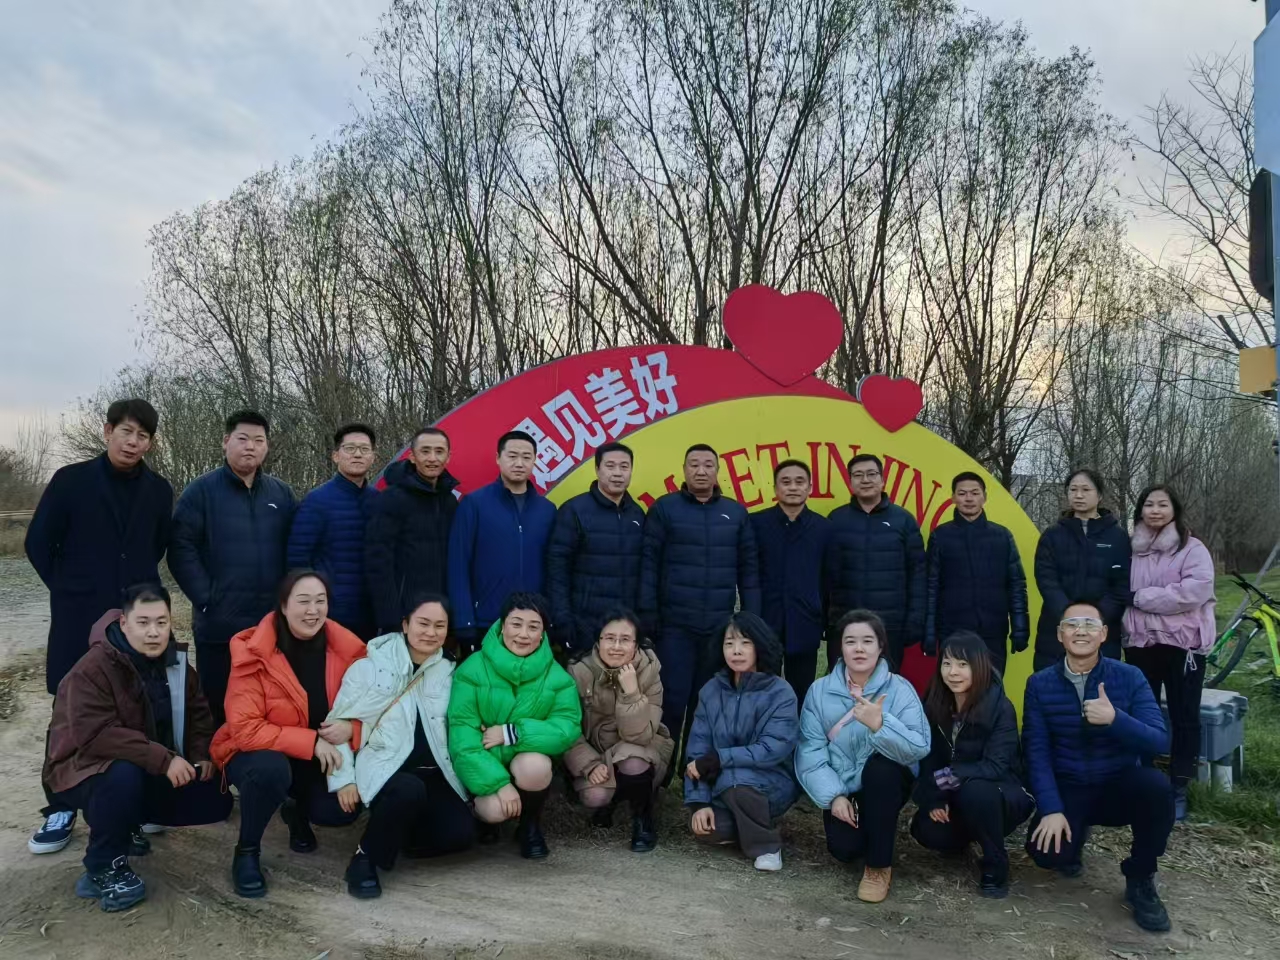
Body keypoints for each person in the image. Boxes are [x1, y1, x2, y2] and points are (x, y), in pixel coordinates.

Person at [25, 398, 174, 855]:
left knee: (138, 706)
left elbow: (157, 545)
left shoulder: (158, 490)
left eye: (143, 436)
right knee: (70, 710)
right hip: (79, 615)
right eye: (126, 432)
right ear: (108, 431)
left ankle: (132, 807)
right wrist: (69, 588)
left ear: (150, 443)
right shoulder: (70, 481)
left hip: (135, 620)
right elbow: (38, 543)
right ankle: (61, 806)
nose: (133, 442)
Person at [43, 584, 231, 911]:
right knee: (123, 775)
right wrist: (164, 760)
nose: (153, 632)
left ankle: (126, 824)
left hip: (145, 765)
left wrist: (200, 755)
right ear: (124, 623)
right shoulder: (93, 667)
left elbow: (199, 713)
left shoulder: (175, 663)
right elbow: (97, 735)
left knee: (215, 799)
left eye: (161, 622)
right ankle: (103, 866)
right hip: (80, 769)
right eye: (143, 622)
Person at [210, 570, 367, 898]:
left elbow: (375, 711)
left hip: (317, 755)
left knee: (339, 811)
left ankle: (297, 812)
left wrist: (352, 728)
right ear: (283, 605)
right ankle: (247, 851)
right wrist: (312, 742)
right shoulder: (254, 652)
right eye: (303, 601)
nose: (313, 610)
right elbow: (245, 729)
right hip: (256, 753)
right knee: (269, 770)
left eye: (320, 601)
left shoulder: (349, 652)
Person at [1023, 600, 1174, 933]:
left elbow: (1160, 741)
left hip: (1117, 784)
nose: (1081, 631)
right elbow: (1036, 752)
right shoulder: (1039, 684)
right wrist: (1050, 808)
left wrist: (1115, 719)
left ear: (1104, 634)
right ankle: (1074, 837)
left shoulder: (1129, 677)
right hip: (1070, 786)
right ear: (1060, 634)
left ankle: (1140, 876)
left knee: (1157, 788)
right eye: (1072, 624)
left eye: (1090, 624)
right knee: (1047, 855)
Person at [325, 594, 474, 898]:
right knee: (408, 790)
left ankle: (395, 834)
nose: (430, 632)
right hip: (387, 767)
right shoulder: (370, 667)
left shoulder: (449, 671)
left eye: (439, 625)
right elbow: (335, 727)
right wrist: (343, 780)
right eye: (423, 623)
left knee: (461, 834)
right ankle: (365, 857)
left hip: (434, 772)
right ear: (405, 625)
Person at [169, 410, 297, 726]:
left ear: (267, 446)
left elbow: (296, 550)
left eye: (258, 440)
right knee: (219, 707)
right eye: (242, 439)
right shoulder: (200, 492)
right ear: (226, 441)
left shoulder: (281, 494)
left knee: (270, 706)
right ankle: (219, 759)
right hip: (219, 625)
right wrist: (206, 599)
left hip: (271, 625)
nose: (250, 446)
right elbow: (181, 549)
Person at [795, 609, 930, 903]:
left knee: (881, 769)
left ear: (881, 646)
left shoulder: (900, 689)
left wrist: (881, 726)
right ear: (840, 647)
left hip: (887, 781)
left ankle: (878, 867)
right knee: (844, 849)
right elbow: (810, 751)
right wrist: (835, 796)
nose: (859, 649)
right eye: (850, 641)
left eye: (867, 641)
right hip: (846, 786)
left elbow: (919, 747)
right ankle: (872, 827)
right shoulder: (819, 692)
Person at [639, 444, 761, 757]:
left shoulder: (735, 513)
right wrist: (648, 616)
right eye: (694, 464)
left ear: (717, 471)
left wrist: (750, 620)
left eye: (708, 465)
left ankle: (693, 768)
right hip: (675, 625)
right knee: (671, 698)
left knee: (707, 700)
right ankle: (661, 768)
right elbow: (649, 564)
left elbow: (748, 570)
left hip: (718, 626)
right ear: (684, 469)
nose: (701, 471)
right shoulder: (665, 509)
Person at [447, 592, 581, 859]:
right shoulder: (471, 669)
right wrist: (499, 784)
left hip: (525, 762)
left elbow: (567, 728)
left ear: (543, 633)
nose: (523, 634)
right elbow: (462, 738)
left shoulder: (557, 677)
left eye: (533, 627)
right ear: (502, 626)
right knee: (494, 810)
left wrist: (512, 733)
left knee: (535, 765)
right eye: (516, 624)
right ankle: (484, 820)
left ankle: (530, 826)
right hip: (484, 766)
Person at [909, 631, 1032, 898]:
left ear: (980, 667)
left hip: (1000, 796)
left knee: (975, 790)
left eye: (963, 664)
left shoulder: (1000, 707)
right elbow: (928, 758)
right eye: (947, 663)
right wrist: (934, 799)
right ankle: (963, 840)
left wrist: (945, 778)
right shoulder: (934, 702)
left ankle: (995, 863)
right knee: (926, 829)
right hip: (952, 792)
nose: (953, 672)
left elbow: (996, 766)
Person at [1124, 485, 1216, 822]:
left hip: (1183, 645)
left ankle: (1178, 785)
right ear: (1140, 510)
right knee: (1142, 715)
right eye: (1149, 504)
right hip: (1140, 643)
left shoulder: (1193, 549)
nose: (1155, 510)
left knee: (1184, 716)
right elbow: (1119, 588)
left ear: (1174, 509)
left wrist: (1140, 598)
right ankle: (1144, 781)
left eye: (1162, 504)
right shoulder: (1132, 550)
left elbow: (1192, 592)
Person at [685, 612, 799, 873]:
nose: (736, 650)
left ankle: (767, 847)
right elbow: (697, 750)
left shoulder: (780, 693)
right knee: (707, 829)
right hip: (722, 785)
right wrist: (699, 803)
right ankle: (752, 825)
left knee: (735, 780)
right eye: (729, 643)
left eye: (745, 643)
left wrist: (720, 759)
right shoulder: (711, 690)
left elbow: (771, 750)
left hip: (772, 782)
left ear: (759, 646)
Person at [563, 609, 674, 852]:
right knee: (595, 796)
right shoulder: (578, 672)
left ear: (636, 645)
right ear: (598, 641)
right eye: (609, 638)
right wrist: (590, 764)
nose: (616, 646)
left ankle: (643, 819)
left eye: (625, 640)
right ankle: (610, 803)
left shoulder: (650, 671)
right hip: (597, 752)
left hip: (641, 748)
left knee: (633, 760)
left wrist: (632, 693)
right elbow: (566, 728)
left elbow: (640, 736)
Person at [448, 432, 558, 656]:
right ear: (498, 458)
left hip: (532, 624)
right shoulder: (474, 504)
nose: (519, 463)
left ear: (535, 460)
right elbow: (458, 565)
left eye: (526, 457)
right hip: (485, 621)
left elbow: (554, 568)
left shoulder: (547, 510)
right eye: (512, 456)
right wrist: (464, 621)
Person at [824, 454, 925, 671]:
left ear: (883, 480)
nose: (865, 480)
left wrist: (915, 620)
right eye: (858, 475)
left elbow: (918, 574)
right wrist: (827, 619)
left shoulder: (904, 520)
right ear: (850, 482)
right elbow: (825, 575)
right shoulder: (836, 519)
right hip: (845, 624)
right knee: (842, 684)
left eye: (871, 474)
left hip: (890, 625)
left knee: (886, 684)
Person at [546, 442, 646, 656]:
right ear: (597, 469)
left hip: (625, 627)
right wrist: (562, 619)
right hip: (583, 625)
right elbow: (557, 569)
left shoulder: (637, 514)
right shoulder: (574, 510)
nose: (617, 473)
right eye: (610, 466)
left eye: (624, 467)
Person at [924, 472, 1029, 673]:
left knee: (992, 684)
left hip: (993, 631)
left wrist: (1020, 628)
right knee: (955, 684)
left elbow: (1016, 585)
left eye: (974, 493)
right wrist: (929, 633)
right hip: (952, 631)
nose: (969, 499)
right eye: (962, 493)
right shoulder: (940, 536)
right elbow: (931, 587)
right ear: (953, 498)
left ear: (984, 497)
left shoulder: (1002, 536)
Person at [365, 426, 460, 636]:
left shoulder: (450, 501)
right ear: (412, 457)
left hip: (441, 612)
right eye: (425, 451)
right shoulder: (391, 498)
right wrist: (391, 617)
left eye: (439, 451)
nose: (432, 458)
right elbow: (377, 560)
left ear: (448, 457)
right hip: (403, 613)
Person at [1032, 469, 1130, 671]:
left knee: (1100, 684)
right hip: (1057, 627)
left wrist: (1097, 617)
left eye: (1086, 490)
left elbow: (1122, 583)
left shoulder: (1117, 537)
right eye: (1073, 490)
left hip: (1102, 629)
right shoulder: (1052, 535)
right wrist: (1069, 615)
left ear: (1099, 495)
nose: (1078, 495)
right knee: (1053, 684)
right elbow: (1046, 580)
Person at [751, 459, 830, 708]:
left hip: (806, 621)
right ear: (775, 488)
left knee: (801, 694)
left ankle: (800, 734)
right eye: (786, 482)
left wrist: (823, 615)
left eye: (799, 481)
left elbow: (828, 578)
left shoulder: (824, 528)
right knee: (762, 693)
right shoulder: (756, 524)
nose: (793, 487)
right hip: (765, 621)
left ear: (810, 487)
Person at [288, 423, 378, 639]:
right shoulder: (316, 501)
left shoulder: (379, 501)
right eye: (350, 448)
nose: (357, 454)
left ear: (373, 457)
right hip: (330, 614)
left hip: (373, 615)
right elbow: (297, 560)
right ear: (336, 456)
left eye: (364, 449)